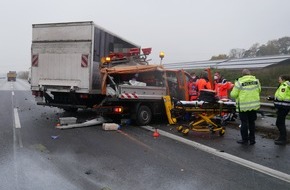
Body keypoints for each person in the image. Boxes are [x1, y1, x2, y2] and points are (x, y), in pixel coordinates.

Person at [230, 69, 261, 145]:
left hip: (243, 106)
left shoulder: (239, 82)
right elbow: (259, 90)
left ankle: (245, 140)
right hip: (253, 106)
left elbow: (233, 95)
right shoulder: (256, 81)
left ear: (242, 74)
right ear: (250, 74)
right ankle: (252, 140)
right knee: (252, 123)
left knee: (244, 123)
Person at [270, 75, 290, 145]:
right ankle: (281, 138)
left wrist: (274, 98)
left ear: (283, 79)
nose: (278, 80)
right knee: (280, 122)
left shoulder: (284, 85)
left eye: (279, 79)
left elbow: (281, 97)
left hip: (283, 107)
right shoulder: (286, 84)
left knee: (279, 123)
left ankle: (283, 139)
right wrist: (273, 98)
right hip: (284, 107)